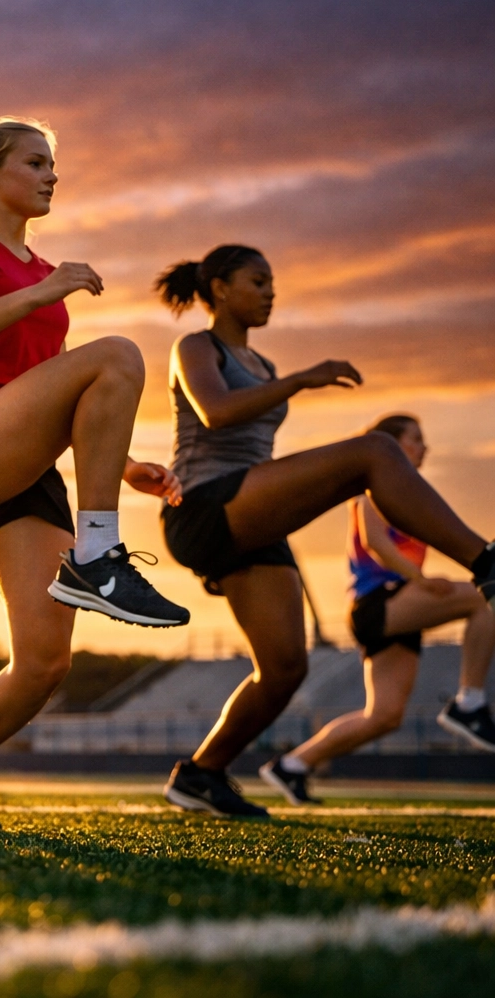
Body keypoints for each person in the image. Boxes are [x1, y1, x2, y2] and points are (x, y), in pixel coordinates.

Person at [0, 117, 188, 829]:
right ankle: (99, 555)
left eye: (54, 165)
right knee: (118, 352)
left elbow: (54, 392)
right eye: (36, 162)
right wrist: (41, 295)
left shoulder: (40, 271)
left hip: (22, 466)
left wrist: (128, 461)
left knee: (45, 662)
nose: (51, 175)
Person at [156, 245, 495, 818]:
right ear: (218, 288)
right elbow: (215, 412)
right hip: (203, 507)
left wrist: (286, 380)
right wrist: (301, 380)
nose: (270, 292)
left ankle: (201, 774)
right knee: (375, 452)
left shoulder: (262, 366)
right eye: (257, 281)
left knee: (286, 669)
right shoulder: (197, 346)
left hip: (250, 518)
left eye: (273, 283)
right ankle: (486, 563)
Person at [259, 416, 495, 804]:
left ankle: (293, 766)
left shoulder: (411, 495)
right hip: (379, 603)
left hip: (401, 609)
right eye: (416, 439)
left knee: (384, 716)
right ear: (392, 446)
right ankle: (470, 702)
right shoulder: (373, 488)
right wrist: (419, 581)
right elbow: (374, 542)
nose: (424, 447)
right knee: (482, 593)